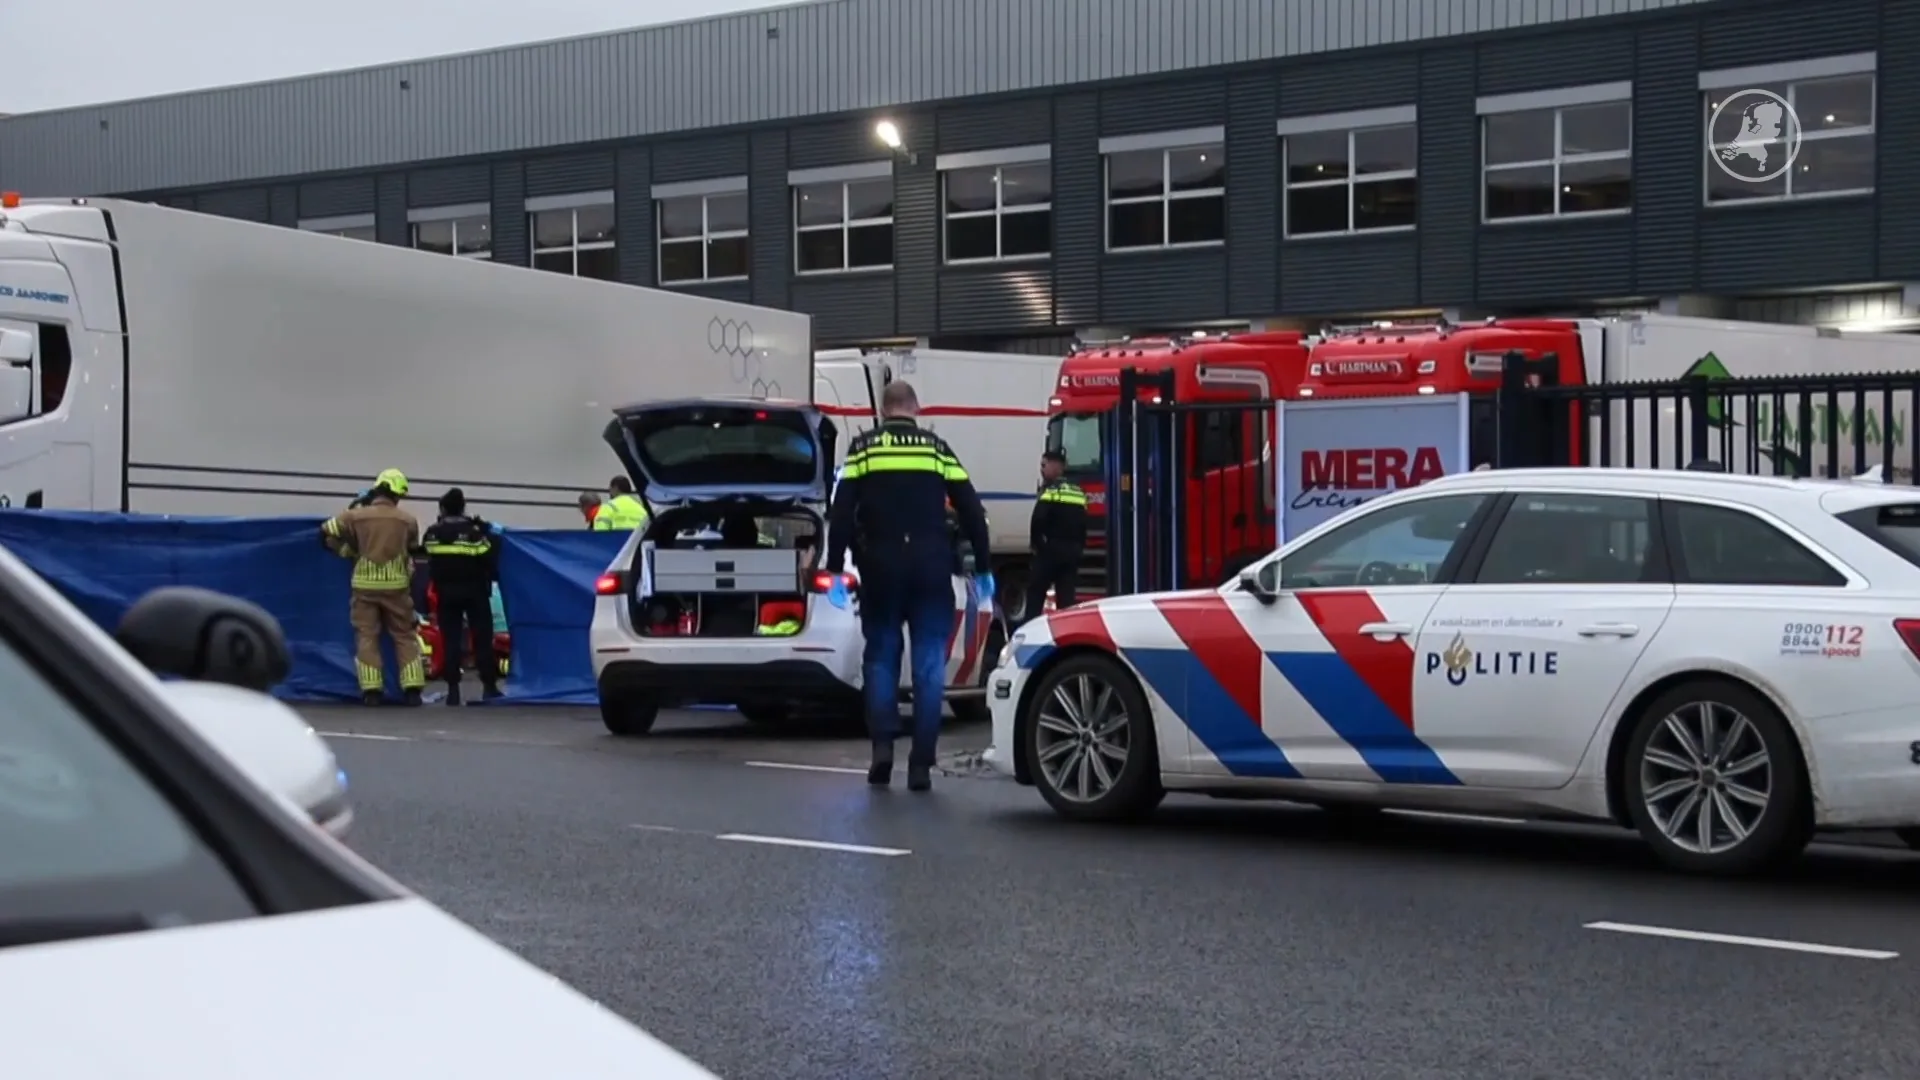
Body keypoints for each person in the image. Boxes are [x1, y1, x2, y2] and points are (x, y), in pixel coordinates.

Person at [826, 380, 992, 792]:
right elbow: (970, 508)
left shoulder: (863, 449)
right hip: (931, 570)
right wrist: (984, 567)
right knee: (930, 667)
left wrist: (833, 568)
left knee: (881, 659)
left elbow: (842, 511)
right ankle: (920, 765)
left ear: (884, 410)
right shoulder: (936, 449)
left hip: (881, 569)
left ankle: (883, 749)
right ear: (916, 409)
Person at [320, 468, 427, 706]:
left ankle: (372, 692)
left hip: (364, 585)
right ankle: (412, 690)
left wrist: (347, 551)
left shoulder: (355, 517)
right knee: (404, 635)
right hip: (397, 586)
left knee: (367, 636)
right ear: (396, 495)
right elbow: (411, 549)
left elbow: (326, 532)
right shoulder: (407, 521)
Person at [421, 487, 503, 706]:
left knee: (450, 640)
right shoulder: (475, 533)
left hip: (446, 593)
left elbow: (427, 554)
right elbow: (490, 558)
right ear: (463, 507)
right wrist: (486, 529)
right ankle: (489, 687)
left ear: (443, 509)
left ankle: (453, 691)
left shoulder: (432, 533)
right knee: (482, 639)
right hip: (475, 591)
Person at [1023, 449, 1089, 623]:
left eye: (1044, 465)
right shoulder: (1078, 491)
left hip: (1050, 551)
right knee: (1066, 599)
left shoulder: (1051, 491)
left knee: (1035, 594)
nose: (1042, 470)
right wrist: (1079, 549)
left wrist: (1038, 547)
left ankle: (1030, 632)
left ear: (1056, 466)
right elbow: (1083, 524)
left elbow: (1037, 521)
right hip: (1072, 552)